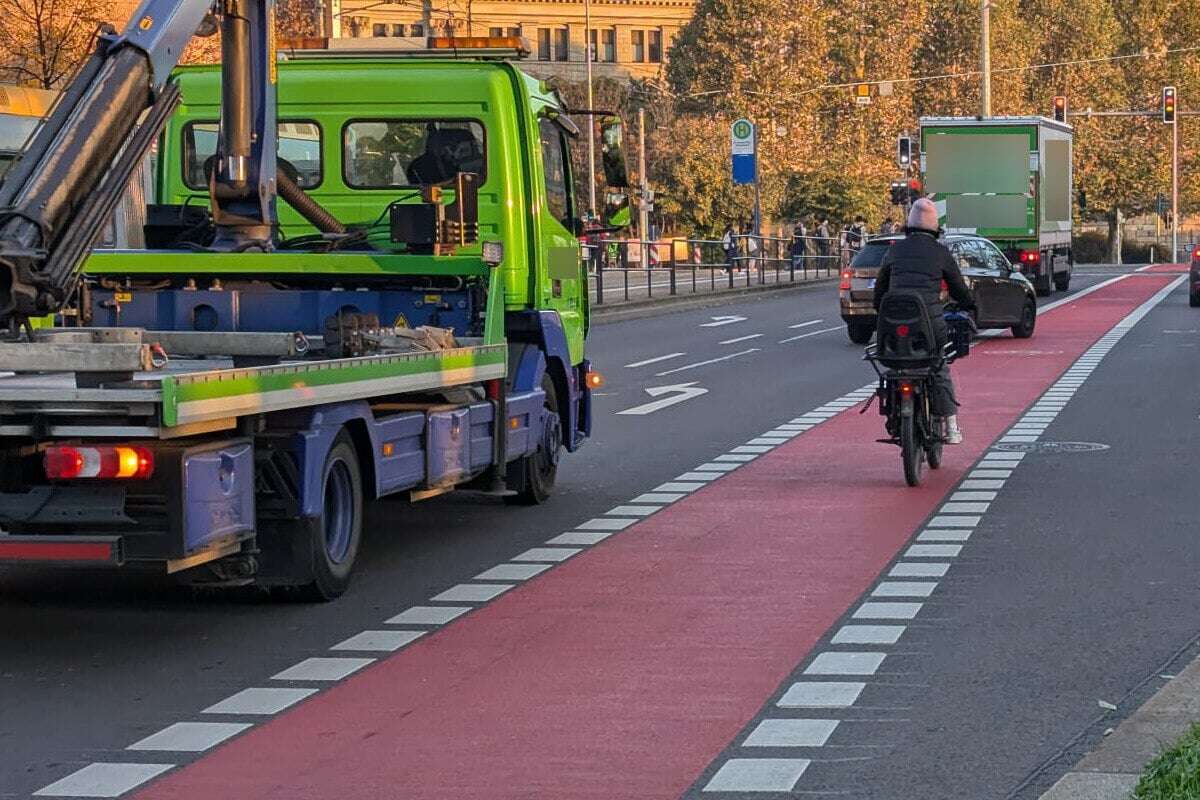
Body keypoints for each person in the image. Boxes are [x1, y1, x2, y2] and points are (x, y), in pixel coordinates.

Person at [872, 198, 974, 444]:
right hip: (930, 327)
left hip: (892, 327)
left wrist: (880, 308)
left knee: (896, 366)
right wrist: (968, 304)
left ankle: (895, 411)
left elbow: (880, 290)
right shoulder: (941, 253)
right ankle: (950, 425)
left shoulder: (894, 251)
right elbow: (959, 289)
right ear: (934, 228)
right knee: (939, 366)